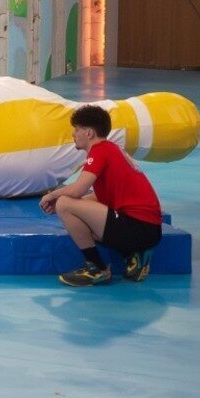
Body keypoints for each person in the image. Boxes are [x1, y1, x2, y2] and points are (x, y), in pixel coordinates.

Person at [40, 104, 165, 287]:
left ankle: (97, 268)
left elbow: (77, 190)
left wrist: (52, 196)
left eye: (77, 129)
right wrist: (75, 207)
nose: (73, 134)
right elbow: (98, 197)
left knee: (64, 203)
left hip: (138, 227)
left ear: (89, 133)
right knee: (77, 216)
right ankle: (133, 255)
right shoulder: (111, 149)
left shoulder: (99, 151)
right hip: (147, 229)